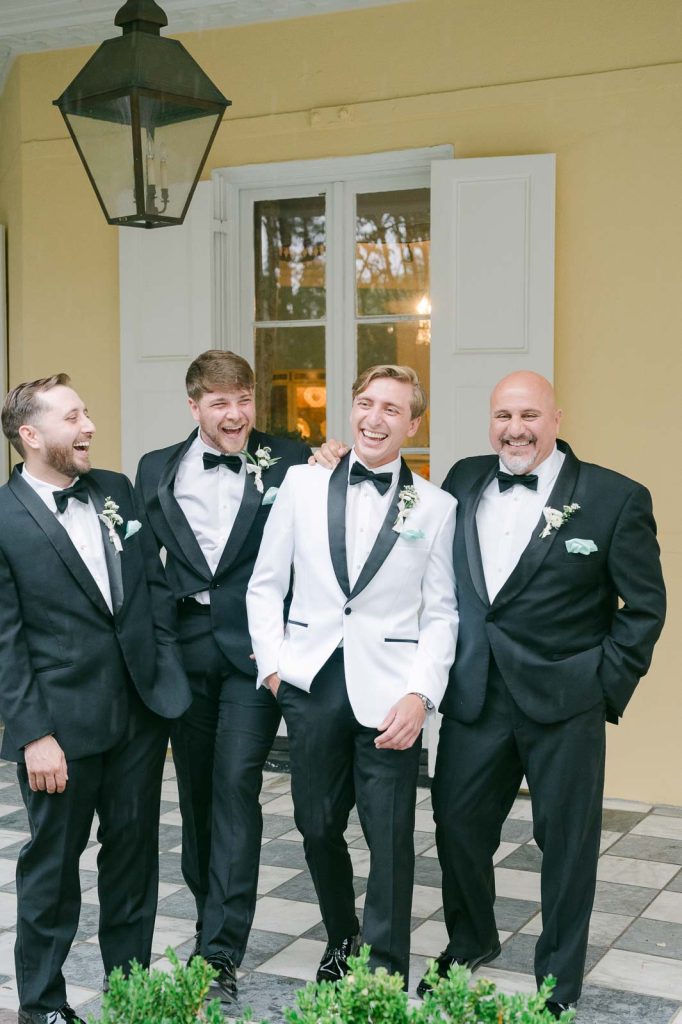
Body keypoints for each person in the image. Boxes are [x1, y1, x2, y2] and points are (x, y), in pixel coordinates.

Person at [425, 371, 666, 1018]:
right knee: (456, 825)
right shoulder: (463, 479)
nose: (515, 430)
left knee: (566, 844)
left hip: (566, 702)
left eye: (529, 415)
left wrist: (602, 683)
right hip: (476, 694)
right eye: (503, 416)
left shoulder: (614, 497)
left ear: (556, 419)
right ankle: (471, 939)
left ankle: (557, 982)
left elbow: (645, 608)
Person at [246, 364, 458, 986]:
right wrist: (275, 669)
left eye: (392, 409)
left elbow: (442, 613)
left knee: (390, 837)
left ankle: (386, 972)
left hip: (392, 694)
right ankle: (342, 936)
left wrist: (421, 694)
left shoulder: (436, 506)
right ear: (352, 409)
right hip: (311, 684)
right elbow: (265, 584)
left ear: (413, 424)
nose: (374, 418)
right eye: (366, 403)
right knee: (315, 826)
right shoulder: (302, 483)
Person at [0, 374, 191, 1024]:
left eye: (86, 413)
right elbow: (5, 642)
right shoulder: (3, 519)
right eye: (73, 417)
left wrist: (162, 671)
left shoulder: (115, 489)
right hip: (59, 730)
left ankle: (129, 995)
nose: (89, 427)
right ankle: (43, 1008)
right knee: (52, 871)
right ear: (31, 435)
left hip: (138, 715)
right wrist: (33, 735)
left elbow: (152, 587)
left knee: (134, 863)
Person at [135, 349, 311, 1004]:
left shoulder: (290, 459)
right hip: (184, 654)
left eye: (243, 400)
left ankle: (218, 953)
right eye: (219, 403)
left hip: (254, 654)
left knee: (235, 786)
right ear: (194, 407)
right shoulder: (155, 468)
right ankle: (213, 918)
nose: (235, 414)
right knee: (197, 796)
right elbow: (144, 566)